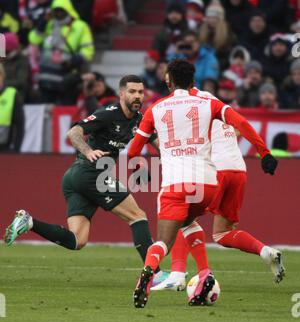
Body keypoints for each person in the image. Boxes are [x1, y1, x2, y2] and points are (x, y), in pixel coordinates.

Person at [128, 59, 278, 308]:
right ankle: (205, 272)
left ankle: (149, 272)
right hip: (207, 184)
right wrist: (265, 153)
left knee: (163, 242)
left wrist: (139, 166)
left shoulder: (155, 109)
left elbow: (134, 151)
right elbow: (241, 123)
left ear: (168, 81)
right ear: (193, 82)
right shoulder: (209, 103)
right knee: (189, 222)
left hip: (175, 184)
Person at [3, 75, 168, 286]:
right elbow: (74, 132)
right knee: (137, 216)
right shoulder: (108, 114)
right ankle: (154, 274)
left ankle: (29, 222)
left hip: (77, 178)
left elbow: (159, 144)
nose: (138, 96)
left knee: (77, 240)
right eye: (132, 92)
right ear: (121, 94)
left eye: (140, 92)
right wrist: (88, 151)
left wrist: (176, 157)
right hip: (91, 173)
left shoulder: (139, 119)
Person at [153, 105, 285, 292]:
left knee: (183, 218)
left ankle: (178, 275)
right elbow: (240, 126)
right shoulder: (219, 108)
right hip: (238, 171)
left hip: (216, 170)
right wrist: (264, 152)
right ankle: (266, 251)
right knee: (222, 233)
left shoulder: (192, 107)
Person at [29, 0, 95, 104]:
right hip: (46, 77)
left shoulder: (80, 26)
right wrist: (43, 23)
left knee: (64, 111)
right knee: (47, 112)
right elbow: (33, 39)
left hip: (67, 78)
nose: (58, 13)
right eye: (56, 11)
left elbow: (88, 51)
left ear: (68, 10)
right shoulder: (49, 23)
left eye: (61, 10)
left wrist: (73, 61)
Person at [0, 63, 24, 153]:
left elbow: (19, 126)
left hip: (5, 149)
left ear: (3, 77)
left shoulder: (12, 94)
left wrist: (16, 150)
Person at [2, 32, 30, 103]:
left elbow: (21, 81)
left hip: (15, 98)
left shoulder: (22, 61)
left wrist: (2, 83)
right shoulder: (3, 59)